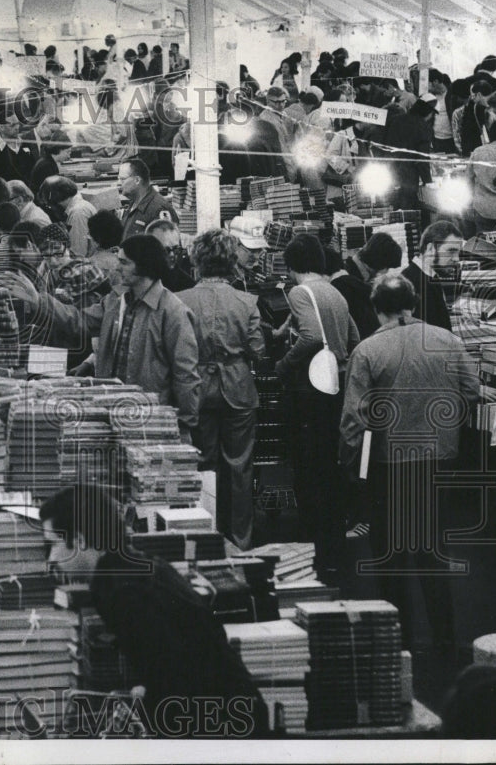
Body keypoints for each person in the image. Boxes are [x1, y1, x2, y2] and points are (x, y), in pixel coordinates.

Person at [40, 485, 268, 737]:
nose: (50, 558)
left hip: (223, 728)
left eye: (53, 544)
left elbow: (178, 680)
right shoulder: (133, 567)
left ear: (80, 540)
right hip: (232, 712)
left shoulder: (122, 592)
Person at [339, 275, 480, 651]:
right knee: (432, 548)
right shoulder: (448, 341)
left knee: (389, 551)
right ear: (413, 304)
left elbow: (355, 417)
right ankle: (445, 638)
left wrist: (352, 465)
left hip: (389, 461)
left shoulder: (368, 351)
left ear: (375, 308)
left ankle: (396, 638)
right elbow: (472, 390)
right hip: (439, 456)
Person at [5, 235, 201, 428]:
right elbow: (79, 320)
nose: (117, 268)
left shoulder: (173, 312)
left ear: (144, 266)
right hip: (112, 409)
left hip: (150, 417)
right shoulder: (116, 301)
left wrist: (184, 424)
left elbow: (185, 373)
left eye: (124, 263)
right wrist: (39, 301)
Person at [274, 235, 360, 585]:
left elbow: (310, 336)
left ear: (291, 264)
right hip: (336, 386)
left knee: (307, 464)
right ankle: (334, 535)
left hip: (309, 389)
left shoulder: (298, 293)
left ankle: (312, 541)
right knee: (329, 462)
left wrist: (284, 363)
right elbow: (354, 338)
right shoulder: (334, 291)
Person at [176, 230, 264, 550]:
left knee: (203, 464)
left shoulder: (180, 300)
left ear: (197, 260)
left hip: (196, 387)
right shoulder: (247, 300)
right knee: (240, 466)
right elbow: (257, 350)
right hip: (238, 387)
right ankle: (241, 540)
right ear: (230, 262)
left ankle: (206, 536)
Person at [329, 232, 403, 340]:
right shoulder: (349, 284)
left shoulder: (353, 273)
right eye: (387, 267)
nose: (386, 271)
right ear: (379, 262)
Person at [401, 220, 462, 333]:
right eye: (451, 251)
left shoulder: (427, 277)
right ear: (430, 249)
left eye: (458, 253)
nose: (456, 259)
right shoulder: (412, 284)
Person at [117, 157, 177, 241]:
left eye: (122, 179)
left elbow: (166, 247)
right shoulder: (133, 204)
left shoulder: (159, 208)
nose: (118, 183)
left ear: (137, 180)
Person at [39, 175, 97, 258]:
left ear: (55, 201)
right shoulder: (78, 207)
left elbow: (78, 253)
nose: (51, 209)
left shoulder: (78, 213)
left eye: (49, 205)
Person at [466, 119, 496, 235]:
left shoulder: (478, 152)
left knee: (484, 247)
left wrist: (469, 203)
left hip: (483, 208)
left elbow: (468, 179)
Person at [145, 217, 195, 293]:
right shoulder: (134, 278)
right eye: (165, 250)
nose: (172, 255)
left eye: (176, 249)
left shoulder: (187, 287)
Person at [0, 116, 37, 184]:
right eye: (12, 125)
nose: (17, 127)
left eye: (18, 124)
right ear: (1, 127)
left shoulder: (25, 144)